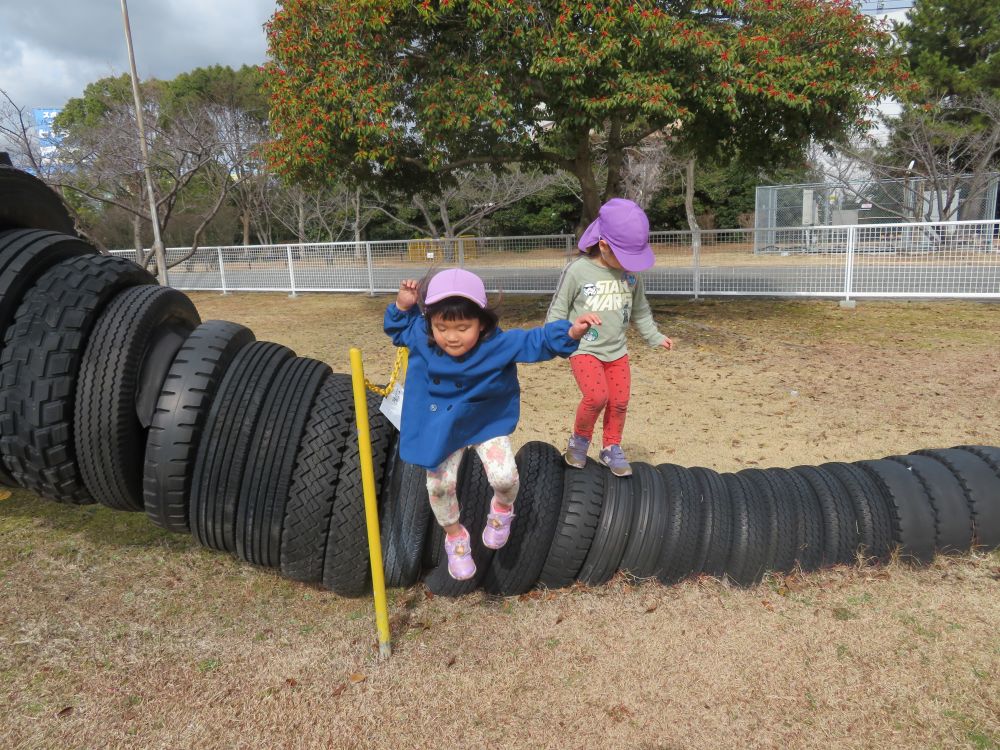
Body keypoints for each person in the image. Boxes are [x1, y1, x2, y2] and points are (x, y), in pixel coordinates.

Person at [385, 268, 601, 581]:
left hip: (484, 420)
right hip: (440, 426)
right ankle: (455, 537)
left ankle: (502, 510)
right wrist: (403, 305)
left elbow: (536, 341)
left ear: (482, 323)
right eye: (442, 327)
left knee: (504, 477)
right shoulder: (422, 336)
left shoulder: (498, 346)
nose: (452, 336)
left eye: (463, 327)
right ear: (430, 322)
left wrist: (570, 333)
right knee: (438, 485)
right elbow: (398, 329)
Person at [547, 198, 674, 478]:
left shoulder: (631, 276)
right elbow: (557, 310)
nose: (630, 263)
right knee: (596, 397)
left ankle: (611, 447)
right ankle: (579, 442)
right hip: (585, 349)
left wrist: (654, 336)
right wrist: (555, 338)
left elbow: (640, 310)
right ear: (603, 245)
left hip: (617, 352)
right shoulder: (577, 271)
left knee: (619, 401)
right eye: (625, 255)